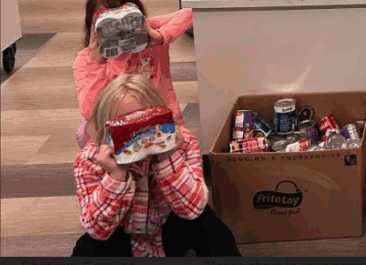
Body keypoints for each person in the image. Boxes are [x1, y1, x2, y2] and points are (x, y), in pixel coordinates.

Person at [71, 74, 240, 257]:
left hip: (171, 228)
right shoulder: (89, 159)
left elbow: (194, 209)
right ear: (105, 128)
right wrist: (116, 177)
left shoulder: (183, 141)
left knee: (213, 230)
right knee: (85, 248)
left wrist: (167, 156)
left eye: (146, 123)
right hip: (120, 235)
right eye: (125, 128)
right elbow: (96, 230)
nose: (137, 135)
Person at [74, 0, 191, 149]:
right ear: (93, 27)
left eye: (125, 20)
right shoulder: (86, 59)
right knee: (84, 132)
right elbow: (90, 111)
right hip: (119, 131)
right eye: (106, 23)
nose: (118, 31)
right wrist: (97, 64)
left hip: (160, 123)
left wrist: (159, 36)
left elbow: (190, 13)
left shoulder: (151, 38)